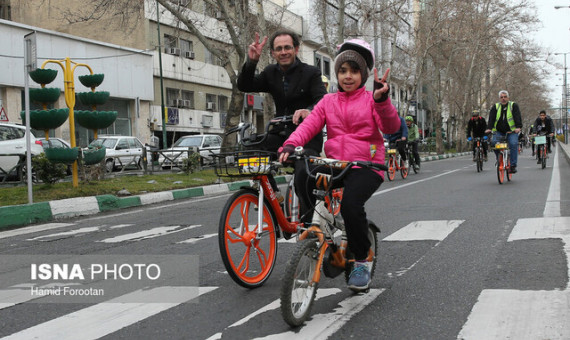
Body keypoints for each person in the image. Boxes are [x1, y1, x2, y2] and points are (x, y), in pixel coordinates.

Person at [278, 39, 400, 292]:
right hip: (336, 163)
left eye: (354, 71)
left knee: (350, 205)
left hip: (367, 165)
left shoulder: (371, 99)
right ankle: (314, 230)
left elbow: (391, 128)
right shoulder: (328, 102)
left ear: (363, 75)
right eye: (343, 71)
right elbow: (308, 126)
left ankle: (360, 262)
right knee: (304, 175)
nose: (347, 76)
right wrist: (290, 145)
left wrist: (382, 100)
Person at [237, 30, 327, 200]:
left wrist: (309, 110)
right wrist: (252, 62)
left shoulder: (311, 73)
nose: (283, 52)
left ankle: (307, 219)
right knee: (250, 148)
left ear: (296, 49)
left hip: (306, 138)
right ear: (272, 53)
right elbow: (245, 85)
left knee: (303, 174)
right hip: (279, 134)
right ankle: (273, 195)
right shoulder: (271, 72)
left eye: (287, 47)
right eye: (279, 49)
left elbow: (323, 100)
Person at [485, 90, 522, 173]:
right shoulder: (496, 106)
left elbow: (517, 117)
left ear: (508, 98)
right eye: (501, 97)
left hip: (511, 132)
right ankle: (499, 158)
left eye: (505, 97)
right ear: (499, 98)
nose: (503, 99)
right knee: (494, 143)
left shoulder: (513, 106)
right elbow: (491, 118)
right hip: (499, 132)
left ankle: (513, 165)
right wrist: (489, 128)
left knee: (513, 144)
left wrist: (518, 127)